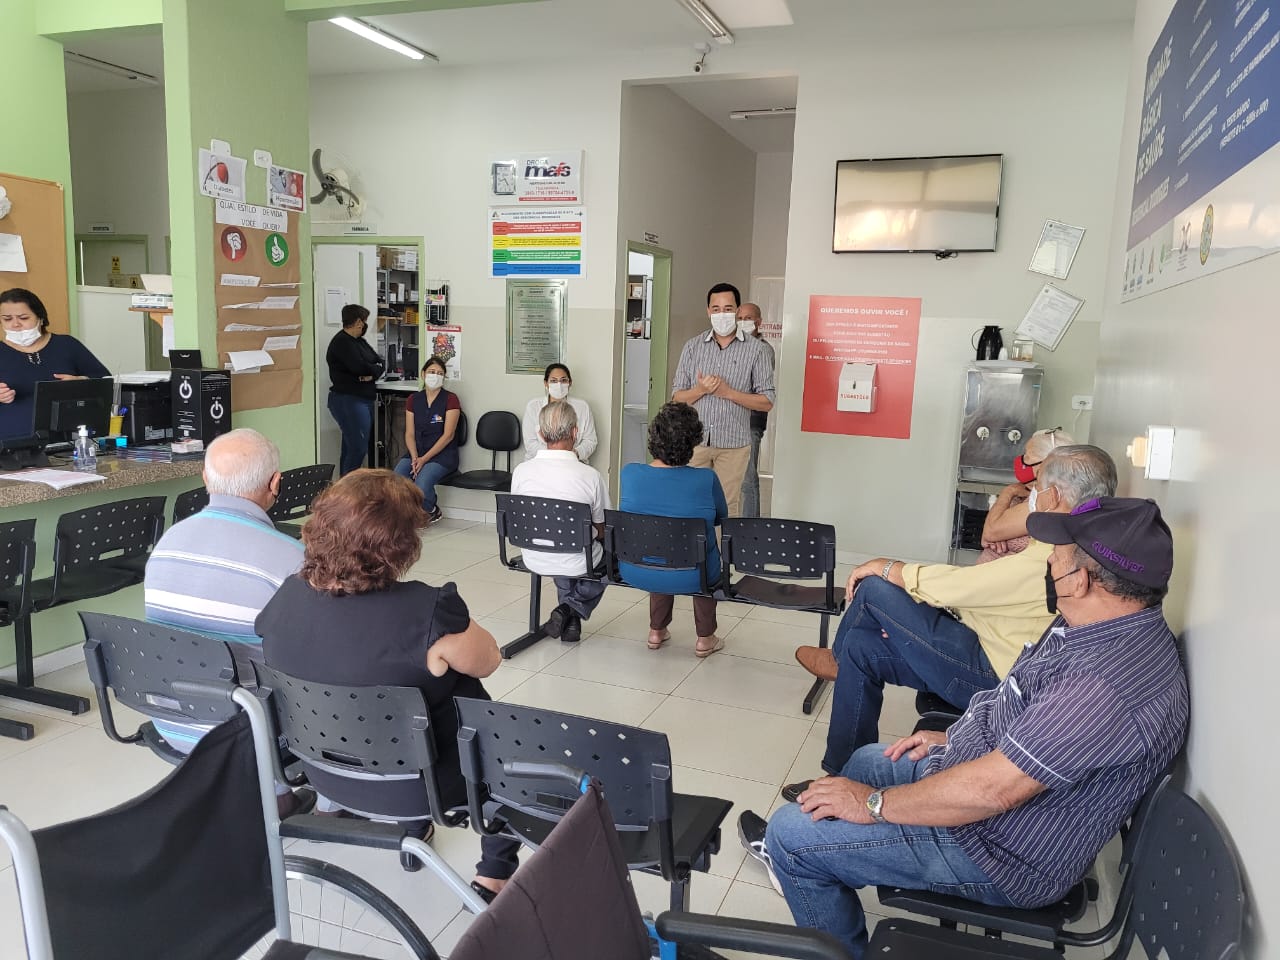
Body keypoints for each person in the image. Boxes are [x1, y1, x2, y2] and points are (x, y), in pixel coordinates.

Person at [739, 497, 1188, 960]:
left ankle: (807, 869)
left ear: (1082, 579)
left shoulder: (1103, 687)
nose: (1049, 559)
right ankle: (831, 866)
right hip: (994, 802)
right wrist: (954, 736)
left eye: (1058, 552)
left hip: (999, 852)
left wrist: (872, 804)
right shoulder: (1101, 624)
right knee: (865, 762)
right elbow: (1019, 703)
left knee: (791, 835)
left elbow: (992, 791)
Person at [256, 468, 521, 902]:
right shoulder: (427, 611)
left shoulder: (286, 598)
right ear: (400, 544)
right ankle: (495, 870)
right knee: (503, 727)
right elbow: (489, 660)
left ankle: (414, 830)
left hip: (327, 776)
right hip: (426, 786)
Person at [792, 445, 1117, 789]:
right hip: (986, 644)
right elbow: (981, 592)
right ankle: (840, 778)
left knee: (874, 587)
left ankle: (836, 660)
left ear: (1053, 496)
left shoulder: (1056, 557)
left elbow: (960, 587)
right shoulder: (1077, 540)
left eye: (1036, 487)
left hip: (995, 679)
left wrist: (887, 567)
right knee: (861, 646)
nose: (1032, 496)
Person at [143, 428, 308, 813]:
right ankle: (308, 800)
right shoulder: (292, 557)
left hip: (171, 721)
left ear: (205, 478)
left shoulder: (167, 543)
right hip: (248, 732)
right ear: (275, 483)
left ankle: (271, 796)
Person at [619, 402, 727, 658]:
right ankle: (705, 638)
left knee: (658, 543)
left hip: (635, 569)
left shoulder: (630, 473)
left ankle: (656, 631)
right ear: (693, 442)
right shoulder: (705, 478)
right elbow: (721, 518)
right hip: (694, 575)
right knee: (699, 549)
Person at [671, 282, 774, 518]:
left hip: (733, 445)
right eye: (716, 309)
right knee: (690, 505)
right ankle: (696, 544)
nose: (722, 314)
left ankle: (720, 545)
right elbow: (677, 397)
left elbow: (767, 401)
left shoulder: (756, 350)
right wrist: (700, 390)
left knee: (726, 508)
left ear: (737, 310)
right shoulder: (692, 347)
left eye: (728, 309)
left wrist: (729, 393)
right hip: (694, 443)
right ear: (708, 311)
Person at [510, 401, 610, 644]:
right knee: (610, 557)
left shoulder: (521, 471)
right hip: (576, 558)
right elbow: (602, 528)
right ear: (575, 433)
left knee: (566, 542)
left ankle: (569, 622)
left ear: (540, 434)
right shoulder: (590, 476)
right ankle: (568, 609)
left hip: (533, 555)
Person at [0, 288, 110, 441]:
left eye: (23, 318)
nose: (15, 324)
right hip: (11, 440)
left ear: (40, 318)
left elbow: (106, 382)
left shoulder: (66, 345)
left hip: (67, 438)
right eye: (7, 319)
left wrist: (81, 382)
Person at [978, 427, 1072, 562]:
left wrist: (1008, 492)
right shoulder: (1027, 491)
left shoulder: (1046, 499)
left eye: (1027, 456)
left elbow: (990, 531)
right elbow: (989, 534)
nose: (1020, 461)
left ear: (1046, 464)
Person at [393, 354, 460, 522]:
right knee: (396, 479)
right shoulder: (413, 399)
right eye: (431, 372)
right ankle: (405, 514)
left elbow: (448, 435)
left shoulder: (450, 399)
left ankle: (430, 510)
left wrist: (424, 460)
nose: (435, 376)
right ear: (423, 374)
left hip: (442, 455)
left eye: (440, 373)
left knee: (421, 484)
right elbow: (409, 433)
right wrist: (415, 457)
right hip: (416, 452)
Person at [325, 303, 384, 475]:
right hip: (348, 400)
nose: (365, 325)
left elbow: (379, 362)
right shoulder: (341, 343)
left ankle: (345, 484)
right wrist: (370, 371)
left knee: (352, 447)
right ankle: (349, 487)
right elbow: (359, 367)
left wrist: (370, 374)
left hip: (364, 398)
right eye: (364, 321)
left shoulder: (360, 342)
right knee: (357, 448)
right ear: (358, 322)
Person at [735, 301, 774, 518]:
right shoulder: (735, 346)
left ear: (758, 322)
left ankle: (750, 525)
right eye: (739, 318)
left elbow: (749, 384)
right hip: (732, 421)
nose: (743, 322)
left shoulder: (763, 350)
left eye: (748, 318)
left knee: (748, 478)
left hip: (751, 421)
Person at [522, 363, 598, 462]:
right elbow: (530, 443)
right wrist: (556, 456)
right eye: (553, 381)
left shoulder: (583, 407)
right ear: (546, 383)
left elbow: (590, 441)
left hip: (573, 462)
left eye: (563, 380)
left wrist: (575, 453)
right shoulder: (533, 406)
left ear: (570, 382)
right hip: (540, 462)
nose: (559, 385)